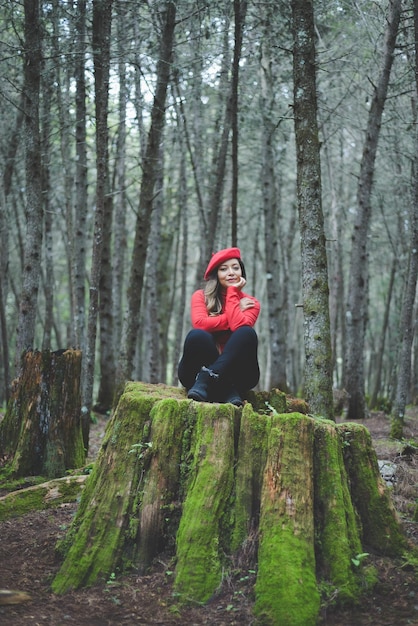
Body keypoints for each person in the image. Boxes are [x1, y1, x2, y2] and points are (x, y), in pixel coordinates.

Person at [178, 247, 260, 406]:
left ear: (241, 272)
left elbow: (239, 326)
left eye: (235, 268)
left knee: (246, 333)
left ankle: (208, 377)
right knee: (197, 336)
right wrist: (235, 309)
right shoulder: (200, 297)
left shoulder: (251, 303)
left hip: (238, 376)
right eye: (224, 269)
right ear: (216, 275)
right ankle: (226, 390)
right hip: (194, 375)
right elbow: (201, 324)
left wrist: (233, 293)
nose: (231, 272)